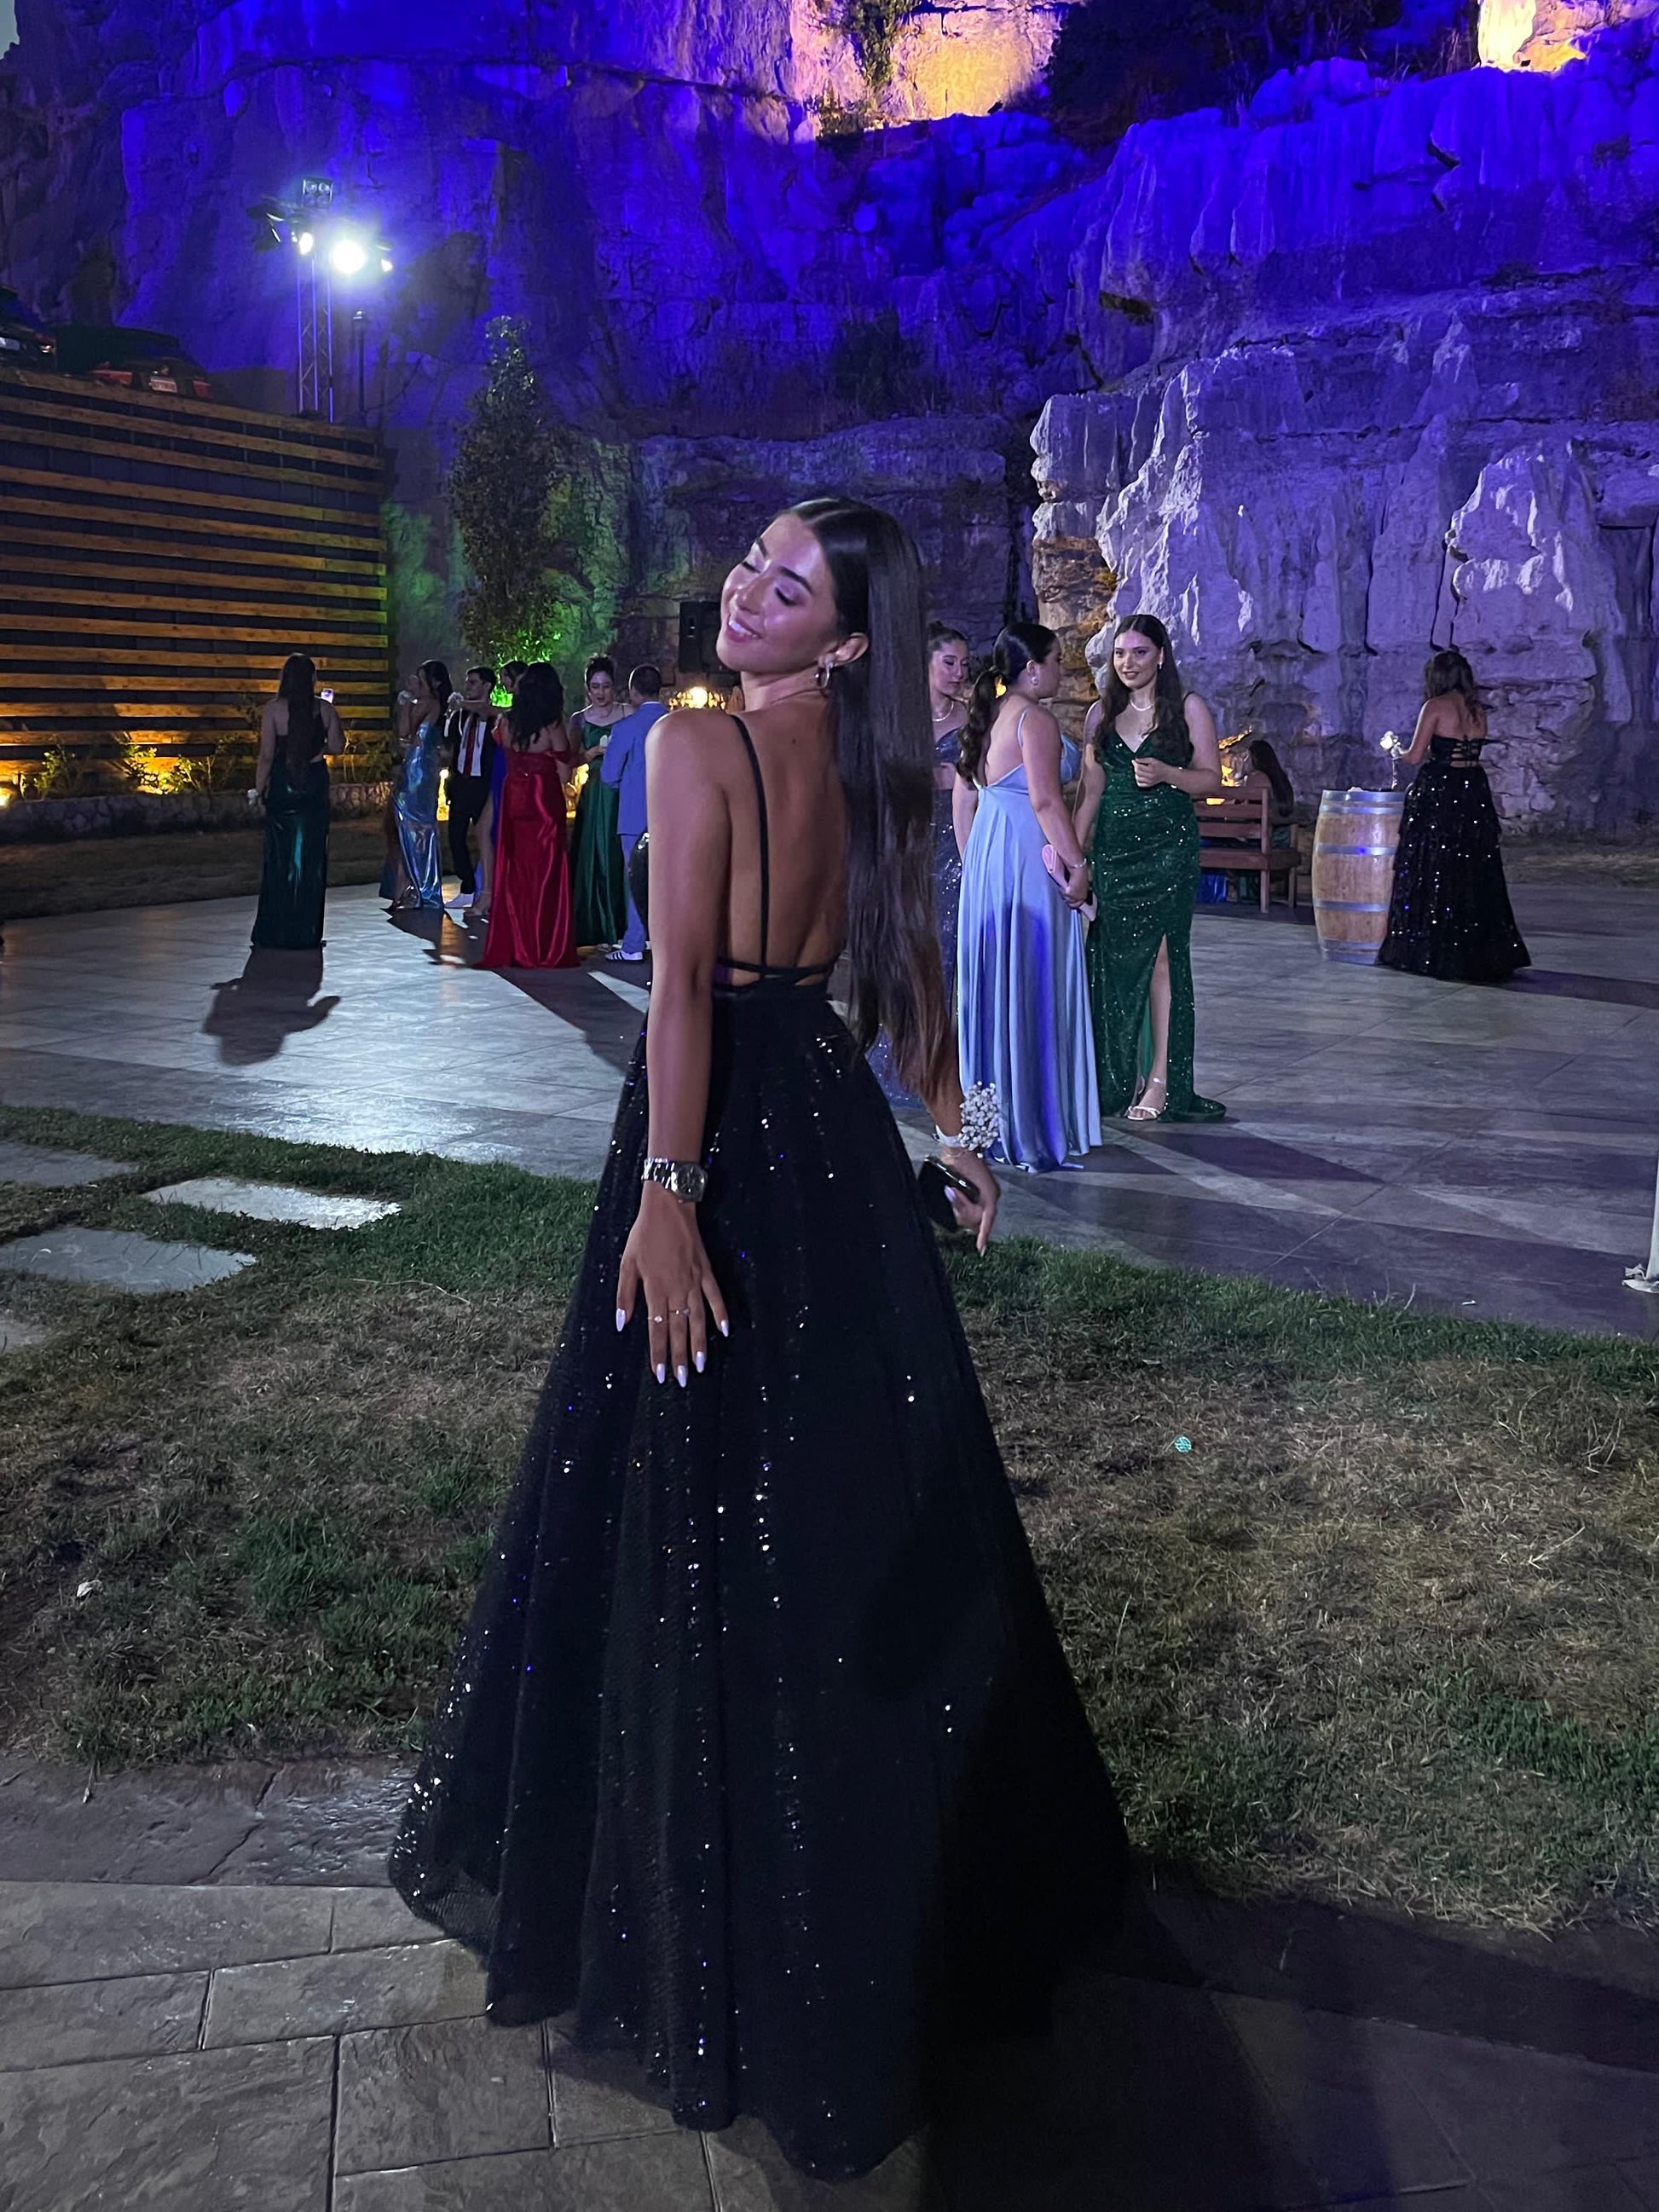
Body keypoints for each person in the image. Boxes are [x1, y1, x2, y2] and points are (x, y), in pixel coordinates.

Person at [390, 498, 1127, 2181]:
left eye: (788, 586)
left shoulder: (697, 749)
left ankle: (707, 1902)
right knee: (836, 1500)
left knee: (689, 1505)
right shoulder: (875, 769)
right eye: (753, 562)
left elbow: (680, 996)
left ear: (847, 639)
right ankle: (853, 1864)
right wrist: (957, 1129)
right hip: (833, 1145)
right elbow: (904, 982)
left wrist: (666, 1194)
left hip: (717, 1134)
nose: (746, 587)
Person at [954, 620, 1100, 1172]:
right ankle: (1032, 1124)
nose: (1062, 669)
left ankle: (992, 1122)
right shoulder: (1034, 719)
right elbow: (1045, 801)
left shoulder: (987, 714)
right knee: (1032, 979)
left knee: (997, 982)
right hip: (1026, 856)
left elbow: (965, 798)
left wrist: (976, 863)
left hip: (989, 855)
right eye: (1057, 660)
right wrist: (1078, 866)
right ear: (1033, 669)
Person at [1075, 614, 1225, 1123]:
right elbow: (1090, 792)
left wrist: (1168, 774)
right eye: (1120, 653)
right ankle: (1118, 1076)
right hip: (1114, 852)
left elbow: (1211, 780)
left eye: (1139, 652)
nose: (1128, 663)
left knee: (1163, 958)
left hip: (1168, 850)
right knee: (1112, 962)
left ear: (1161, 656)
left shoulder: (1188, 707)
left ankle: (1160, 1079)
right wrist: (1074, 859)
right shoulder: (1100, 714)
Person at [1377, 649, 1530, 982]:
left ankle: (1433, 950)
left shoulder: (1435, 707)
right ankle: (1479, 952)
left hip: (1442, 791)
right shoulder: (1477, 711)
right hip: (1473, 789)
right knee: (1473, 868)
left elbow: (1415, 756)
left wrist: (1394, 749)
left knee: (1434, 866)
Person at [478, 661, 579, 970]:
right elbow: (564, 772)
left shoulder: (507, 723)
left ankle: (517, 944)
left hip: (514, 798)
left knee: (516, 872)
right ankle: (544, 946)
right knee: (547, 873)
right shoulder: (551, 725)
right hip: (542, 801)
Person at [251, 653, 342, 949]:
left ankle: (276, 928)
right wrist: (319, 749)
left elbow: (266, 755)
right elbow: (338, 745)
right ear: (312, 678)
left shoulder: (273, 710)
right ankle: (305, 930)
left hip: (283, 783)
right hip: (313, 783)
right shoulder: (324, 709)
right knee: (311, 857)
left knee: (280, 857)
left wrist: (258, 789)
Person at [598, 662, 668, 962]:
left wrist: (626, 785)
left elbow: (608, 774)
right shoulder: (678, 723)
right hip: (674, 814)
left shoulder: (626, 727)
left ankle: (633, 945)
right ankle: (668, 943)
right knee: (671, 878)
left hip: (634, 813)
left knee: (636, 881)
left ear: (633, 691)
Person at [568, 655, 631, 948]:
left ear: (614, 687)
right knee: (594, 855)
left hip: (624, 791)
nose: (601, 692)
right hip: (595, 793)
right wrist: (590, 753)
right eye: (596, 687)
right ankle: (596, 927)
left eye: (606, 686)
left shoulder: (627, 712)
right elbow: (569, 759)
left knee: (621, 856)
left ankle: (626, 927)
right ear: (588, 689)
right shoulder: (579, 719)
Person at [382, 659, 448, 911]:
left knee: (417, 826)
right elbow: (404, 735)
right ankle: (404, 885)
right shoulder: (419, 702)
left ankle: (417, 887)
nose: (416, 684)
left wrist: (407, 704)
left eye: (421, 680)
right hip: (413, 765)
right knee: (403, 824)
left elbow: (406, 731)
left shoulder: (429, 703)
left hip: (420, 771)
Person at [927, 621, 970, 992]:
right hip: (907, 837)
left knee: (946, 942)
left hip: (954, 841)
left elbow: (988, 776)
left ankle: (939, 1025)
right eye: (950, 663)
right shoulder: (899, 716)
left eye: (964, 664)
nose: (959, 673)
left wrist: (960, 778)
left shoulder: (970, 719)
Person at [473, 660, 529, 924]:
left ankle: (491, 894)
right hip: (499, 769)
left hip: (507, 771)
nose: (503, 682)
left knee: (490, 829)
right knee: (485, 829)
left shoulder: (521, 710)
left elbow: (488, 711)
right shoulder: (514, 708)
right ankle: (488, 892)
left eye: (505, 677)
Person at [442, 664, 501, 910]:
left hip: (483, 784)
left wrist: (463, 703)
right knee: (455, 836)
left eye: (474, 682)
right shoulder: (461, 717)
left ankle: (489, 887)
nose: (468, 687)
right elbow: (451, 745)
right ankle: (467, 886)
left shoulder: (494, 716)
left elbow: (487, 710)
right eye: (468, 682)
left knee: (486, 836)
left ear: (487, 686)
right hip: (462, 782)